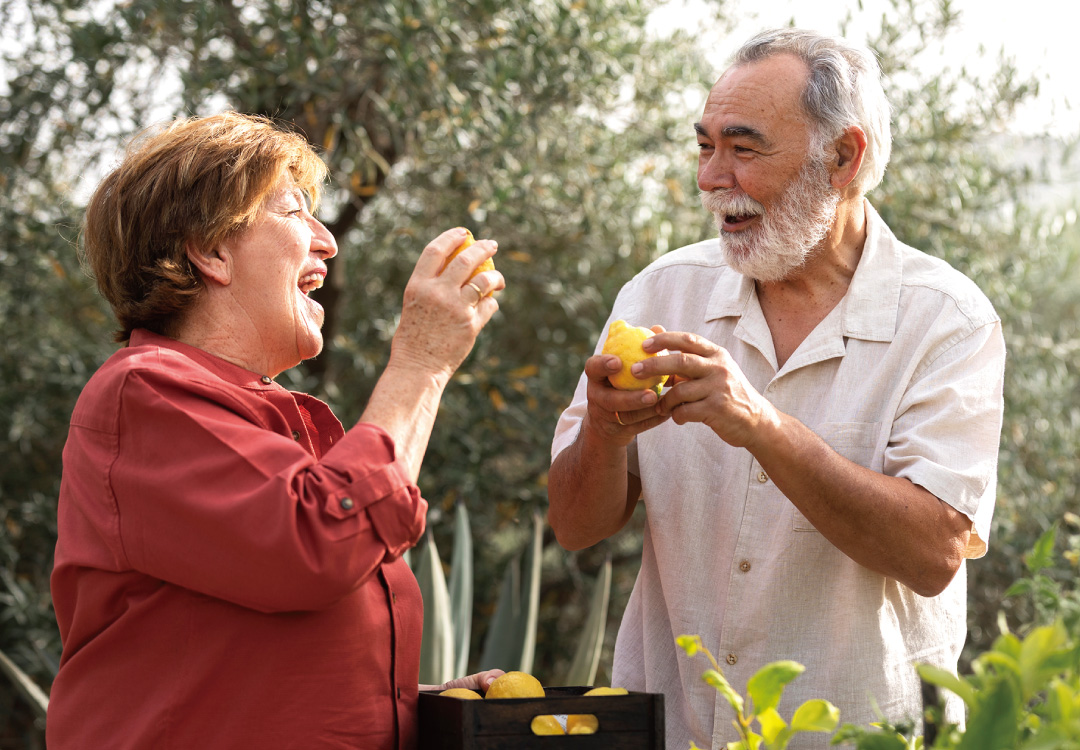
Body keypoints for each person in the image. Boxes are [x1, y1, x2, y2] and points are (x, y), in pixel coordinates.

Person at [548, 28, 1005, 750]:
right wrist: (604, 432)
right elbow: (574, 527)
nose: (710, 177)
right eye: (705, 147)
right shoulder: (661, 293)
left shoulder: (945, 321)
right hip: (675, 733)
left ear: (843, 158)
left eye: (745, 148)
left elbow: (933, 554)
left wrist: (761, 424)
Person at [48, 112, 505, 750]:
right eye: (294, 212)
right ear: (209, 250)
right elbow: (319, 544)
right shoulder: (145, 392)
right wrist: (422, 363)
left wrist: (415, 705)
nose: (328, 241)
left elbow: (244, 669)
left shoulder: (270, 418)